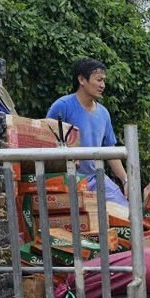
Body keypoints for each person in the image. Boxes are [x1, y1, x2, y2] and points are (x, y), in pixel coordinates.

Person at [46, 59, 129, 207]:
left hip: (96, 178)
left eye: (104, 81)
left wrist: (125, 180)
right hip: (67, 178)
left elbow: (110, 150)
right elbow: (44, 140)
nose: (102, 85)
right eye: (98, 80)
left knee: (125, 211)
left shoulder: (103, 113)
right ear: (82, 80)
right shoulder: (62, 106)